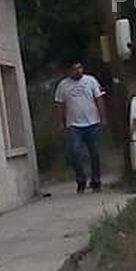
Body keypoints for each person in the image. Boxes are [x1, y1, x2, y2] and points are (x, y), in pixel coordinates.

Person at [54, 61, 107, 193]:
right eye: (74, 69)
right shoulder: (63, 85)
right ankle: (81, 179)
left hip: (92, 123)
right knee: (75, 152)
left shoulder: (91, 81)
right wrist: (61, 122)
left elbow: (99, 99)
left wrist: (103, 117)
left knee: (94, 153)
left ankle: (96, 181)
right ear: (68, 71)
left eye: (79, 68)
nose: (78, 71)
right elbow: (60, 105)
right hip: (74, 125)